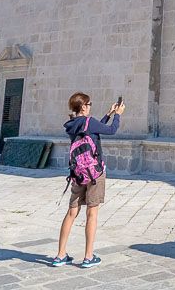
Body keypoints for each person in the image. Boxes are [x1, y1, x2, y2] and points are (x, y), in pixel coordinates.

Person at [50, 93, 123, 269]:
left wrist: (109, 114)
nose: (90, 107)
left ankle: (60, 255)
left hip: (78, 174)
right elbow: (111, 130)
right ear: (83, 107)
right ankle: (88, 256)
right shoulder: (89, 122)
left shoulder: (71, 125)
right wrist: (118, 115)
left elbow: (93, 129)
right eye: (89, 104)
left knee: (71, 213)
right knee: (92, 213)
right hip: (95, 173)